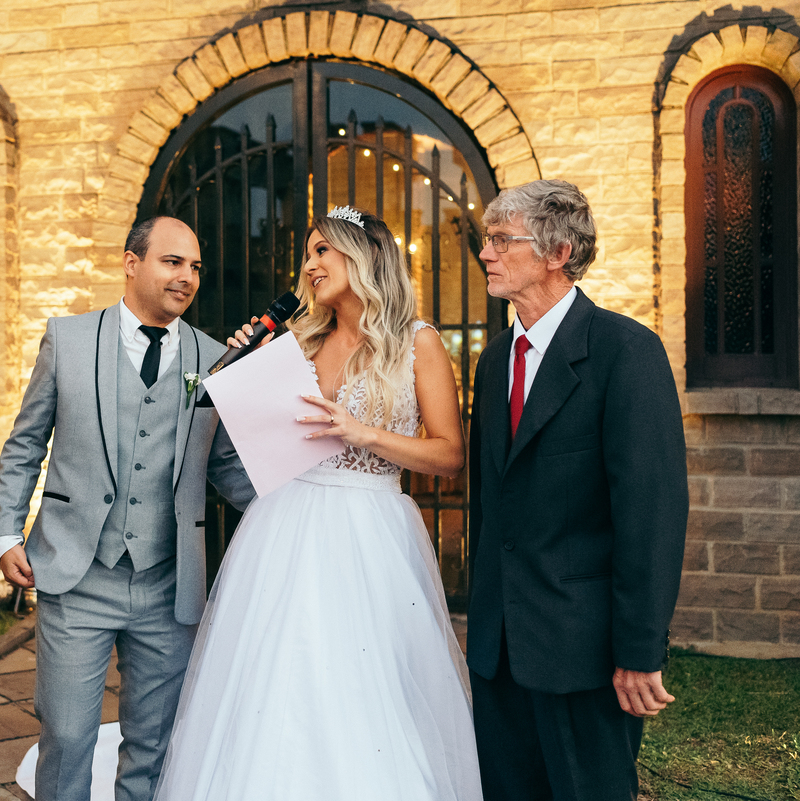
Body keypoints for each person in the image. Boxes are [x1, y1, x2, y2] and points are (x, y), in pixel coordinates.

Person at [152, 206, 483, 800]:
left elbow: (451, 453)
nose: (308, 267)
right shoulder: (300, 339)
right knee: (276, 679)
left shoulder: (418, 342)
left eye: (321, 252)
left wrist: (369, 435)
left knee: (363, 683)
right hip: (285, 522)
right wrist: (243, 365)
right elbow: (251, 433)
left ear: (363, 255)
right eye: (307, 255)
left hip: (369, 529)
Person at [0, 216, 255, 801]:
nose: (187, 278)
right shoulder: (68, 337)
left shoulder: (214, 359)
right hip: (76, 574)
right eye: (172, 262)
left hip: (168, 581)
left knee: (154, 741)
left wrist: (291, 507)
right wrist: (6, 532)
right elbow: (27, 441)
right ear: (132, 263)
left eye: (196, 267)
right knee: (67, 735)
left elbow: (225, 466)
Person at [467, 179, 688, 800]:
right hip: (499, 652)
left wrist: (640, 650)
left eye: (501, 241)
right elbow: (490, 507)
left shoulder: (626, 352)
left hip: (584, 655)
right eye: (487, 240)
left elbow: (651, 514)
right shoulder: (493, 361)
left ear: (558, 251)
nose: (486, 254)